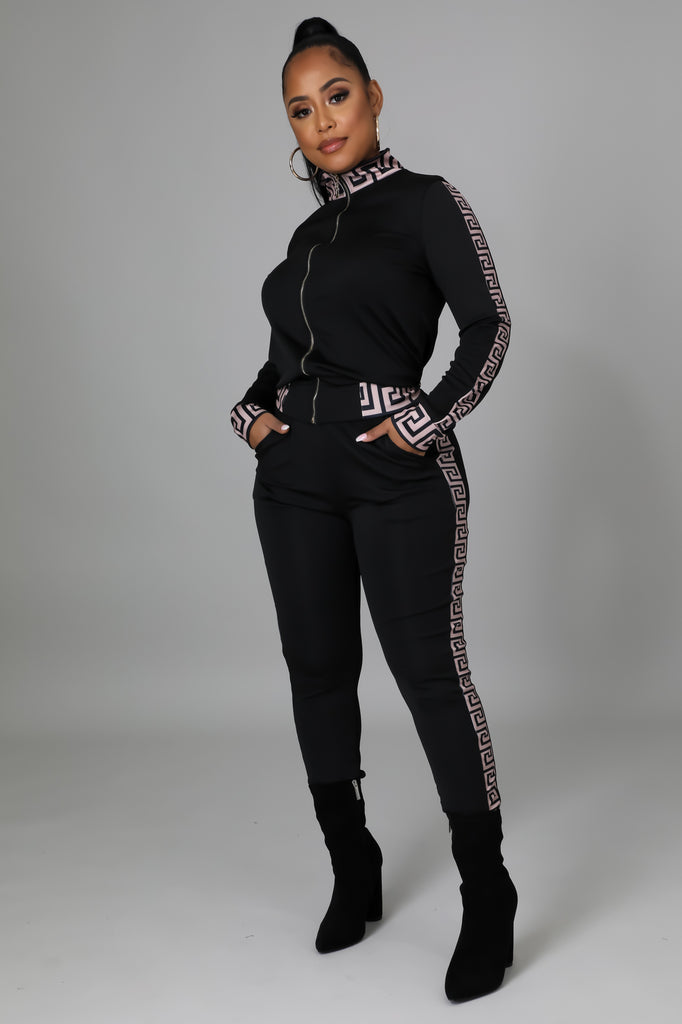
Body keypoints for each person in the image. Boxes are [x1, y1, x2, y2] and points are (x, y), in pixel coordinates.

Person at [231, 17, 517, 1002]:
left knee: (430, 674)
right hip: (294, 481)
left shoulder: (426, 202)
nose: (322, 120)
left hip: (396, 474)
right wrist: (253, 416)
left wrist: (426, 420)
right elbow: (285, 362)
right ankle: (353, 866)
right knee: (316, 669)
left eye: (336, 95)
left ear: (374, 95)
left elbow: (487, 324)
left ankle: (488, 894)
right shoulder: (306, 236)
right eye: (300, 109)